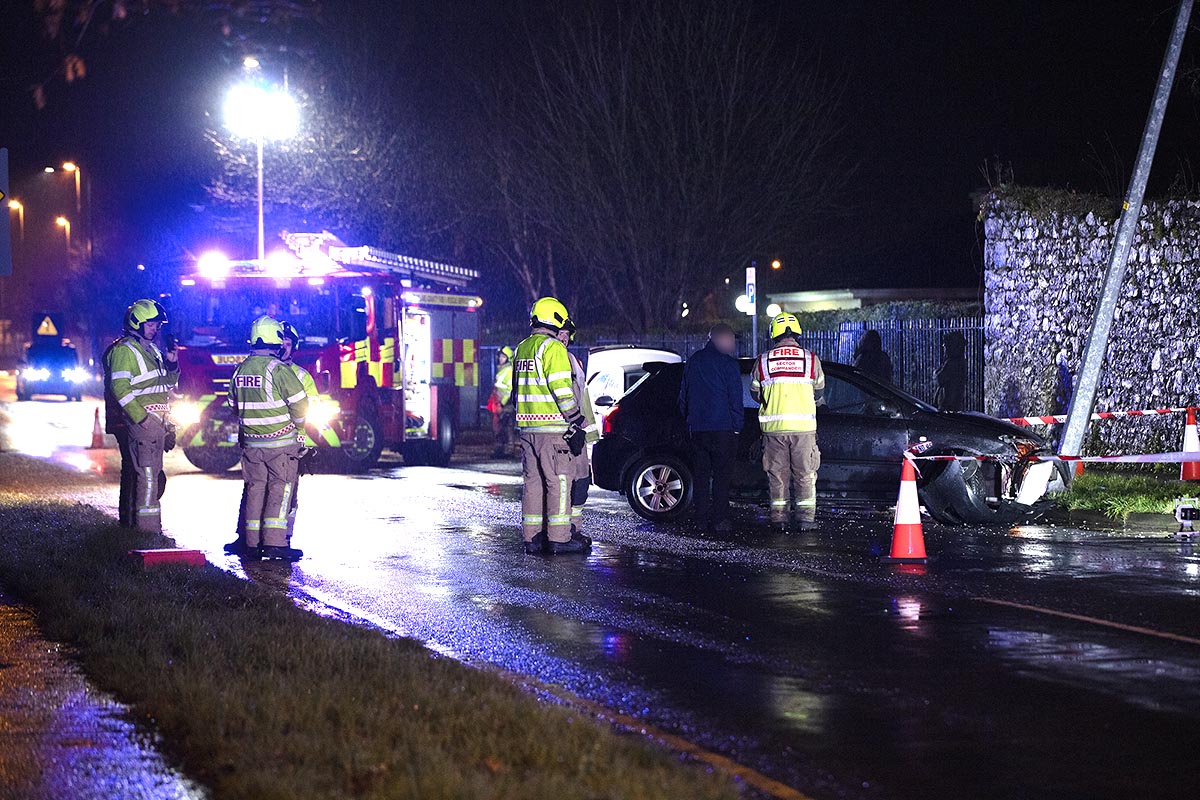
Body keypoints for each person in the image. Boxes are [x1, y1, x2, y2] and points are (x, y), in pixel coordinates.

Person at [225, 320, 318, 555]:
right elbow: (301, 408)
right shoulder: (279, 370)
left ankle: (253, 543)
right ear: (275, 342)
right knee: (281, 489)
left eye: (288, 343)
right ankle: (275, 543)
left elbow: (233, 405)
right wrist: (298, 432)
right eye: (281, 341)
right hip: (282, 444)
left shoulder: (242, 368)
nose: (283, 346)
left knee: (256, 489)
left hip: (253, 444)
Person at [514, 297, 591, 555]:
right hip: (553, 430)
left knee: (532, 484)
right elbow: (562, 390)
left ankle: (532, 538)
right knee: (559, 482)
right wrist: (577, 419)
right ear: (556, 319)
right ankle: (559, 538)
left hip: (527, 430)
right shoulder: (553, 348)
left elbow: (517, 391)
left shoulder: (522, 348)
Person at [103, 299, 179, 533]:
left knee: (150, 476)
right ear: (137, 323)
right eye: (151, 324)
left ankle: (137, 526)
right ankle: (138, 528)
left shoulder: (153, 351)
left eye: (158, 324)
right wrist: (141, 419)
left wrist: (172, 365)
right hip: (138, 423)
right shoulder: (124, 350)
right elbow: (120, 389)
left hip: (155, 423)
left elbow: (165, 385)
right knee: (141, 475)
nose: (156, 328)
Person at [751, 313, 825, 532]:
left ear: (774, 334)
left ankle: (779, 520)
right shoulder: (811, 359)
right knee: (805, 475)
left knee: (778, 476)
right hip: (803, 430)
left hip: (774, 431)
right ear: (797, 332)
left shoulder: (763, 360)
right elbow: (819, 391)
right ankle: (805, 520)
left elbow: (755, 393)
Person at [678, 323, 743, 532]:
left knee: (701, 477)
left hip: (697, 430)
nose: (733, 343)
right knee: (722, 478)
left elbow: (683, 397)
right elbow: (735, 399)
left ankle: (700, 519)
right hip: (723, 430)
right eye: (731, 339)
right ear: (721, 339)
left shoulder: (693, 361)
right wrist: (737, 427)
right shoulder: (728, 364)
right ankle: (719, 519)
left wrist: (689, 420)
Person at [558, 320, 599, 536]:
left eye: (566, 334)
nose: (564, 338)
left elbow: (583, 399)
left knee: (581, 481)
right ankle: (562, 532)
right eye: (560, 333)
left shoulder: (574, 361)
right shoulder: (553, 360)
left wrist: (589, 434)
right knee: (562, 485)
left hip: (577, 434)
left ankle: (575, 529)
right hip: (560, 433)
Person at [489, 346, 515, 458]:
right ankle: (499, 450)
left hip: (506, 405)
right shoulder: (501, 370)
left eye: (503, 356)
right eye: (500, 356)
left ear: (508, 358)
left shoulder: (509, 371)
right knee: (498, 429)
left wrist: (502, 403)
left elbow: (510, 390)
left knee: (507, 428)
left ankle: (509, 451)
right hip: (499, 404)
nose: (500, 358)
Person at [935, 332, 967, 412]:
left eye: (946, 346)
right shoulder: (959, 361)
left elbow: (940, 379)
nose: (944, 348)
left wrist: (937, 372)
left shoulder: (952, 363)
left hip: (948, 404)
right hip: (953, 402)